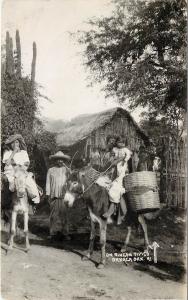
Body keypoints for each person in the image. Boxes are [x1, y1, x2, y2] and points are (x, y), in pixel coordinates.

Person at [2, 134, 40, 206]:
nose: (14, 144)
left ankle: (32, 199)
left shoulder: (23, 153)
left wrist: (21, 170)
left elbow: (27, 163)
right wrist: (14, 152)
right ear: (10, 145)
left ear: (19, 143)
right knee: (10, 184)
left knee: (29, 182)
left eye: (16, 142)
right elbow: (7, 163)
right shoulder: (7, 153)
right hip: (10, 172)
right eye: (12, 143)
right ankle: (7, 202)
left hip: (21, 172)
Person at [45, 151, 71, 241]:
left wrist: (67, 167)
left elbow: (72, 176)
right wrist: (48, 194)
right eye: (58, 159)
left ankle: (65, 233)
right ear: (55, 160)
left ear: (64, 160)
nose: (60, 161)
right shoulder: (51, 170)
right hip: (54, 195)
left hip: (64, 195)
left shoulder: (66, 170)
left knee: (64, 215)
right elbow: (48, 183)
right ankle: (52, 233)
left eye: (62, 160)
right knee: (53, 215)